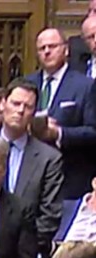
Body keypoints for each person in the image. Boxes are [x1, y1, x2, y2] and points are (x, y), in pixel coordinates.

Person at [0, 78, 65, 258]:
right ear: (2, 104)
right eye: (15, 103)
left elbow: (50, 216)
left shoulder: (49, 159)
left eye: (27, 107)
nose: (20, 111)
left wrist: (18, 252)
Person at [28, 28, 96, 201]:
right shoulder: (27, 83)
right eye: (42, 48)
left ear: (66, 50)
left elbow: (93, 131)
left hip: (70, 177)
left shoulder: (85, 86)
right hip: (31, 178)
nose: (47, 52)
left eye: (52, 46)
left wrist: (59, 133)